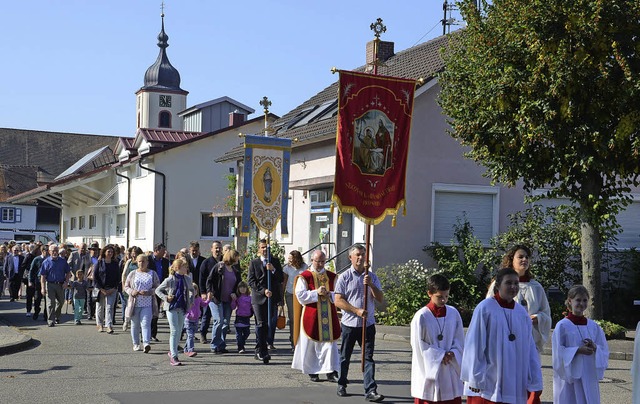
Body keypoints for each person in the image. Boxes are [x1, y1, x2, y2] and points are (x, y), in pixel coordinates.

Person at [461, 267, 543, 404]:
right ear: (498, 285)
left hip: (515, 379)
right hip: (489, 378)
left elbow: (530, 348)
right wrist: (475, 377)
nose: (513, 287)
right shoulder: (485, 308)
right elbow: (475, 344)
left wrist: (535, 378)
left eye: (516, 283)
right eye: (508, 283)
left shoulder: (521, 313)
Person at [486, 245, 551, 404]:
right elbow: (490, 309)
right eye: (520, 257)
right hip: (505, 341)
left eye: (527, 257)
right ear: (511, 260)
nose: (524, 260)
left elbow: (546, 313)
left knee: (530, 379)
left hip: (529, 340)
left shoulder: (535, 286)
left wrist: (538, 318)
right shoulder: (498, 283)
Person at [334, 244, 385, 402]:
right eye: (357, 254)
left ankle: (370, 390)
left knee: (368, 357)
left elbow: (380, 298)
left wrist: (370, 284)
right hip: (350, 324)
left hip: (367, 324)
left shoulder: (371, 276)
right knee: (345, 357)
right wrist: (356, 310)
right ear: (351, 257)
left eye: (363, 254)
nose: (361, 257)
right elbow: (338, 300)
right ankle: (342, 383)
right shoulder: (344, 277)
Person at [410, 274, 464, 404]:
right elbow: (418, 345)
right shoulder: (421, 316)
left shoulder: (453, 313)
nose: (444, 300)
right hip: (431, 371)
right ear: (430, 293)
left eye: (446, 296)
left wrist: (453, 352)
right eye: (439, 297)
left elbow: (459, 338)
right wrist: (440, 355)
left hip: (449, 367)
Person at [552, 285, 608, 404]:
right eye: (578, 300)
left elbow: (604, 349)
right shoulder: (562, 326)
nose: (581, 303)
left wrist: (595, 347)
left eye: (584, 300)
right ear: (569, 301)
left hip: (588, 374)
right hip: (570, 376)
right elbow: (558, 352)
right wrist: (577, 350)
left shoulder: (593, 326)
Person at [291, 250, 340, 382]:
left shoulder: (332, 276)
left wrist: (330, 294)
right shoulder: (305, 276)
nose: (320, 264)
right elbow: (300, 295)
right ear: (312, 260)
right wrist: (315, 293)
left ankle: (331, 371)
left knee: (329, 344)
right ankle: (313, 371)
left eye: (323, 261)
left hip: (329, 316)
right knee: (311, 344)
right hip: (312, 315)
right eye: (317, 261)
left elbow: (340, 295)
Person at [247, 239, 283, 363]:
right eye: (262, 247)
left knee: (268, 325)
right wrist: (263, 291)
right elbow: (251, 281)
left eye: (266, 248)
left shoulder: (275, 262)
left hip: (272, 298)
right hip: (259, 298)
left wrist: (273, 270)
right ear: (259, 249)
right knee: (261, 324)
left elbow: (280, 279)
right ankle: (263, 351)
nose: (264, 250)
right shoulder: (254, 263)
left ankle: (259, 348)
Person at [156, 257, 195, 366]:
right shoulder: (170, 279)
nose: (186, 268)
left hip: (182, 307)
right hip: (171, 307)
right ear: (178, 268)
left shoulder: (187, 279)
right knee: (174, 330)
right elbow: (158, 290)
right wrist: (165, 297)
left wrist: (191, 300)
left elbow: (192, 290)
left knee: (179, 331)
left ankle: (172, 350)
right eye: (184, 267)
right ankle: (174, 356)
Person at [206, 248, 241, 354]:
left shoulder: (235, 270)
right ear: (231, 256)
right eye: (236, 257)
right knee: (219, 320)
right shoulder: (220, 266)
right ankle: (214, 345)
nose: (238, 259)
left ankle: (221, 344)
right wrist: (209, 291)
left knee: (225, 323)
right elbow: (209, 280)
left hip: (228, 300)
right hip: (216, 299)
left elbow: (238, 284)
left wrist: (235, 292)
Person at [124, 254, 160, 354]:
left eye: (143, 261)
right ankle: (136, 343)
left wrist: (149, 292)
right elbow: (126, 286)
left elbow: (158, 287)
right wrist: (132, 291)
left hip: (147, 304)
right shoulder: (132, 273)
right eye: (139, 261)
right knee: (135, 324)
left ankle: (146, 343)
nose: (141, 263)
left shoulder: (152, 274)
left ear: (147, 262)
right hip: (134, 304)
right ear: (137, 262)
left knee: (145, 324)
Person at [39, 244, 72, 327]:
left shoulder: (63, 261)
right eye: (53, 251)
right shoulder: (46, 262)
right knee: (50, 304)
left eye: (56, 251)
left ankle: (57, 316)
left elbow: (68, 272)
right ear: (49, 252)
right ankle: (51, 320)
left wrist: (66, 282)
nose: (55, 252)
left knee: (61, 302)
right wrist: (42, 288)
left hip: (60, 285)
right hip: (50, 284)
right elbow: (43, 276)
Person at [283, 250, 308, 351]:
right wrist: (281, 297)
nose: (289, 260)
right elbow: (284, 283)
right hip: (290, 294)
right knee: (293, 318)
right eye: (288, 258)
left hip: (302, 294)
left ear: (296, 259)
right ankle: (293, 340)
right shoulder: (286, 268)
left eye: (290, 258)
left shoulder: (305, 267)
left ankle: (301, 339)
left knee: (302, 317)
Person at [198, 240, 222, 343]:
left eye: (219, 248)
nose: (218, 250)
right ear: (211, 249)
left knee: (220, 318)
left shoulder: (224, 261)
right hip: (209, 294)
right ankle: (203, 334)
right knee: (206, 315)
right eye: (216, 248)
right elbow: (202, 279)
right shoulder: (206, 262)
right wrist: (203, 292)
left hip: (221, 293)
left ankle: (219, 339)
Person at [93, 244, 120, 334]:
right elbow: (95, 277)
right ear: (104, 252)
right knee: (100, 307)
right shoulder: (99, 262)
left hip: (112, 288)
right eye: (108, 251)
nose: (110, 253)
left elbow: (118, 277)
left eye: (112, 252)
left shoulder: (115, 263)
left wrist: (113, 288)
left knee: (109, 307)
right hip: (101, 288)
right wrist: (101, 289)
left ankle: (109, 325)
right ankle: (100, 324)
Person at [149, 243, 170, 342]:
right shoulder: (148, 259)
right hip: (149, 289)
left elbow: (167, 274)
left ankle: (153, 334)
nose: (164, 253)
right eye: (162, 251)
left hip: (160, 290)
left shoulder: (165, 261)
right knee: (147, 313)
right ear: (156, 251)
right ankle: (145, 334)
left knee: (155, 313)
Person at [121, 246, 143, 331]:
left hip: (138, 287)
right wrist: (124, 285)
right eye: (132, 252)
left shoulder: (140, 262)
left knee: (137, 306)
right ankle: (126, 321)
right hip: (129, 286)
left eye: (135, 253)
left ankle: (137, 324)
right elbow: (124, 274)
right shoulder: (129, 262)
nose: (133, 255)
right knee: (129, 305)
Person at [184, 283, 209, 357]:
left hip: (196, 320)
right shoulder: (187, 299)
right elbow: (184, 309)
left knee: (191, 335)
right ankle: (190, 350)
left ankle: (186, 348)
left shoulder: (198, 299)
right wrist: (188, 312)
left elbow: (204, 304)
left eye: (194, 290)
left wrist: (208, 299)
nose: (193, 292)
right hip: (188, 320)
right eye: (191, 290)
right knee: (190, 335)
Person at [231, 281, 253, 353]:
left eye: (244, 287)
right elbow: (233, 307)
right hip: (239, 317)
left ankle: (241, 342)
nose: (242, 289)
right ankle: (240, 347)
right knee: (239, 334)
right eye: (241, 287)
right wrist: (233, 300)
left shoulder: (250, 298)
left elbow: (252, 307)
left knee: (247, 333)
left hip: (247, 317)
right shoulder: (237, 298)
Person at [29, 245, 49, 321]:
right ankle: (36, 311)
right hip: (38, 282)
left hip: (48, 282)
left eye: (48, 251)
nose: (47, 252)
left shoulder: (50, 260)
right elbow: (31, 270)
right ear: (42, 251)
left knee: (48, 300)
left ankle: (46, 314)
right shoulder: (37, 259)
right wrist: (30, 280)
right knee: (37, 299)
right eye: (45, 250)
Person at [22, 244, 40, 317]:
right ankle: (28, 310)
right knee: (29, 295)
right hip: (31, 278)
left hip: (38, 280)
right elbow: (23, 266)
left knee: (37, 296)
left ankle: (36, 309)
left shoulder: (42, 258)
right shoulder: (29, 256)